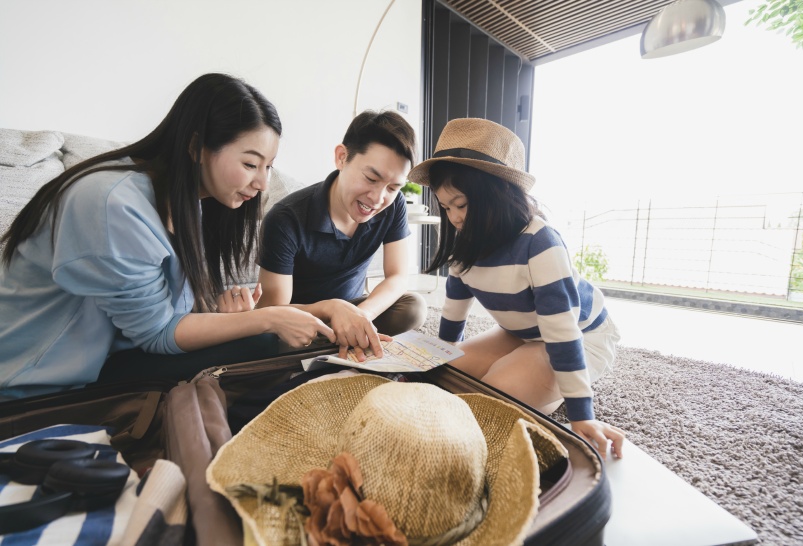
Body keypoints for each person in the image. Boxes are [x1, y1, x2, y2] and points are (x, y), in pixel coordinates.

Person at [0, 73, 335, 399]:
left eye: (268, 166)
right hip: (34, 380)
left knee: (258, 343)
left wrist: (226, 314)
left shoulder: (185, 202)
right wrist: (265, 318)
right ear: (196, 147)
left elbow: (165, 311)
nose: (262, 183)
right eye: (250, 164)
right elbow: (158, 333)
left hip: (100, 358)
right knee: (260, 343)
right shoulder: (113, 204)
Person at [407, 118, 625, 459]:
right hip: (522, 331)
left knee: (494, 398)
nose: (454, 218)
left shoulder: (540, 242)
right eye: (446, 207)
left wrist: (582, 415)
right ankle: (533, 381)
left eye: (461, 205)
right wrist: (436, 361)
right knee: (447, 379)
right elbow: (453, 312)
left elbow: (561, 332)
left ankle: (557, 395)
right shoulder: (465, 243)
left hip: (581, 336)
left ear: (498, 195)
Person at [257, 110, 427, 362]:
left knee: (414, 307)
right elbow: (273, 310)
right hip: (303, 320)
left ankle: (347, 341)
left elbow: (399, 275)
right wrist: (333, 309)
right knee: (271, 343)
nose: (378, 198)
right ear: (342, 157)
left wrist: (362, 316)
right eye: (371, 178)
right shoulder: (286, 218)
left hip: (355, 307)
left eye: (392, 187)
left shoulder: (394, 205)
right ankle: (339, 346)